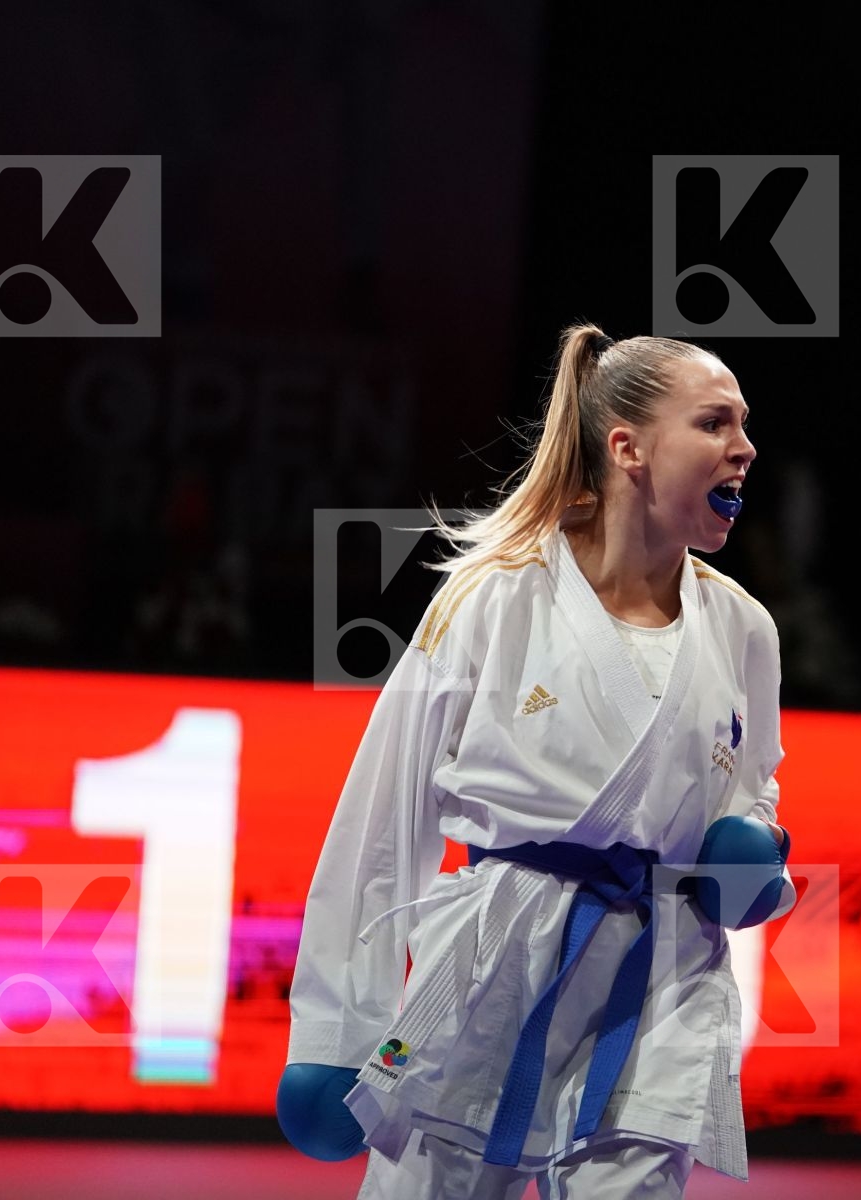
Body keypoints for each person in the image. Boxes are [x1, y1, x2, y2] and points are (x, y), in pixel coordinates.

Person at [281, 325, 796, 1198]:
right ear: (627, 447)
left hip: (657, 981)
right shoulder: (496, 594)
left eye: (743, 426)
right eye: (714, 423)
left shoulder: (744, 628)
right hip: (484, 963)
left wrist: (754, 862)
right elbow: (384, 816)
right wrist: (335, 1030)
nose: (744, 448)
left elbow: (753, 798)